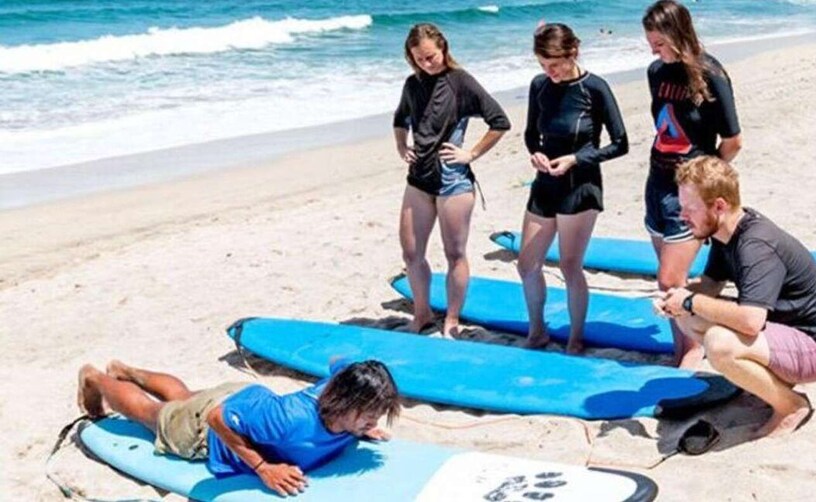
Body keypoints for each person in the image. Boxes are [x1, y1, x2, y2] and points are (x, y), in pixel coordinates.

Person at [655, 156, 816, 437]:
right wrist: (678, 298)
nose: (682, 215)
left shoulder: (755, 245)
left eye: (690, 208)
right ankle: (765, 387)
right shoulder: (726, 230)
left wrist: (689, 301)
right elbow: (710, 285)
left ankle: (791, 406)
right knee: (689, 319)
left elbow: (751, 321)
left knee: (720, 344)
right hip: (786, 332)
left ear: (719, 206)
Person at [77, 359, 401, 496]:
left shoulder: (344, 384)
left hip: (245, 404)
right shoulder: (291, 419)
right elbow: (217, 417)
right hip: (208, 429)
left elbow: (340, 362)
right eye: (369, 414)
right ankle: (96, 377)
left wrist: (361, 425)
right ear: (344, 402)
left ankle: (126, 370)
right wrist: (263, 468)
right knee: (152, 413)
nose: (375, 421)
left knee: (185, 395)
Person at [393, 23, 511, 337]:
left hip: (453, 183)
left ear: (443, 49)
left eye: (430, 56)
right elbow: (399, 119)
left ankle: (452, 320)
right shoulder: (412, 84)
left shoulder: (461, 82)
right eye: (418, 58)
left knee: (454, 253)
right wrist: (401, 145)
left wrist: (470, 154)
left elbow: (499, 121)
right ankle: (421, 316)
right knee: (411, 253)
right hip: (418, 180)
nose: (425, 63)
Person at [642, 0, 743, 367]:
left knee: (670, 279)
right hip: (657, 184)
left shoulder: (711, 74)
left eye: (659, 42)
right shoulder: (656, 72)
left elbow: (733, 140)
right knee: (669, 280)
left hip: (691, 193)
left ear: (678, 34)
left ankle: (694, 349)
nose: (654, 50)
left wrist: (703, 180)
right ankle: (682, 347)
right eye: (650, 43)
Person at [518, 23, 628, 354]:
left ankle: (575, 336)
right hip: (545, 184)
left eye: (554, 64)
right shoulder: (539, 85)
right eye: (542, 65)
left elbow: (620, 143)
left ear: (573, 53)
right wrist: (535, 153)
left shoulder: (594, 88)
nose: (548, 72)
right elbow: (529, 134)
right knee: (527, 264)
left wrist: (577, 159)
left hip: (580, 186)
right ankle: (537, 331)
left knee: (569, 265)